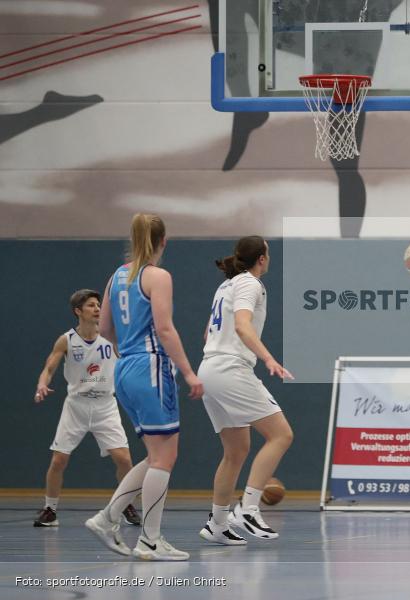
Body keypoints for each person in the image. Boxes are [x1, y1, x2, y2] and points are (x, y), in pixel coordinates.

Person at [84, 213, 203, 561]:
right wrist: (189, 372)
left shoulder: (117, 276)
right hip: (151, 368)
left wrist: (129, 354)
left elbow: (104, 329)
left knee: (155, 456)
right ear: (163, 241)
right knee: (165, 457)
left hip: (123, 368)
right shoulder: (158, 276)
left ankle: (109, 520)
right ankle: (148, 538)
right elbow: (164, 329)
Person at [197, 236, 294, 545]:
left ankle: (217, 523)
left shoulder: (226, 285)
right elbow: (242, 325)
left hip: (209, 369)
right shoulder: (250, 284)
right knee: (281, 435)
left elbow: (208, 333)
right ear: (262, 259)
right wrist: (268, 358)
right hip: (230, 370)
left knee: (236, 451)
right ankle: (248, 509)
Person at [32, 289, 140, 528]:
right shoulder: (66, 340)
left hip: (105, 405)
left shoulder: (112, 337)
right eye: (91, 305)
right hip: (76, 406)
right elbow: (49, 368)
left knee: (124, 459)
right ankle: (50, 509)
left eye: (98, 304)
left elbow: (129, 360)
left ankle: (125, 504)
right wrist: (42, 384)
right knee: (58, 460)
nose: (97, 308)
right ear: (78, 311)